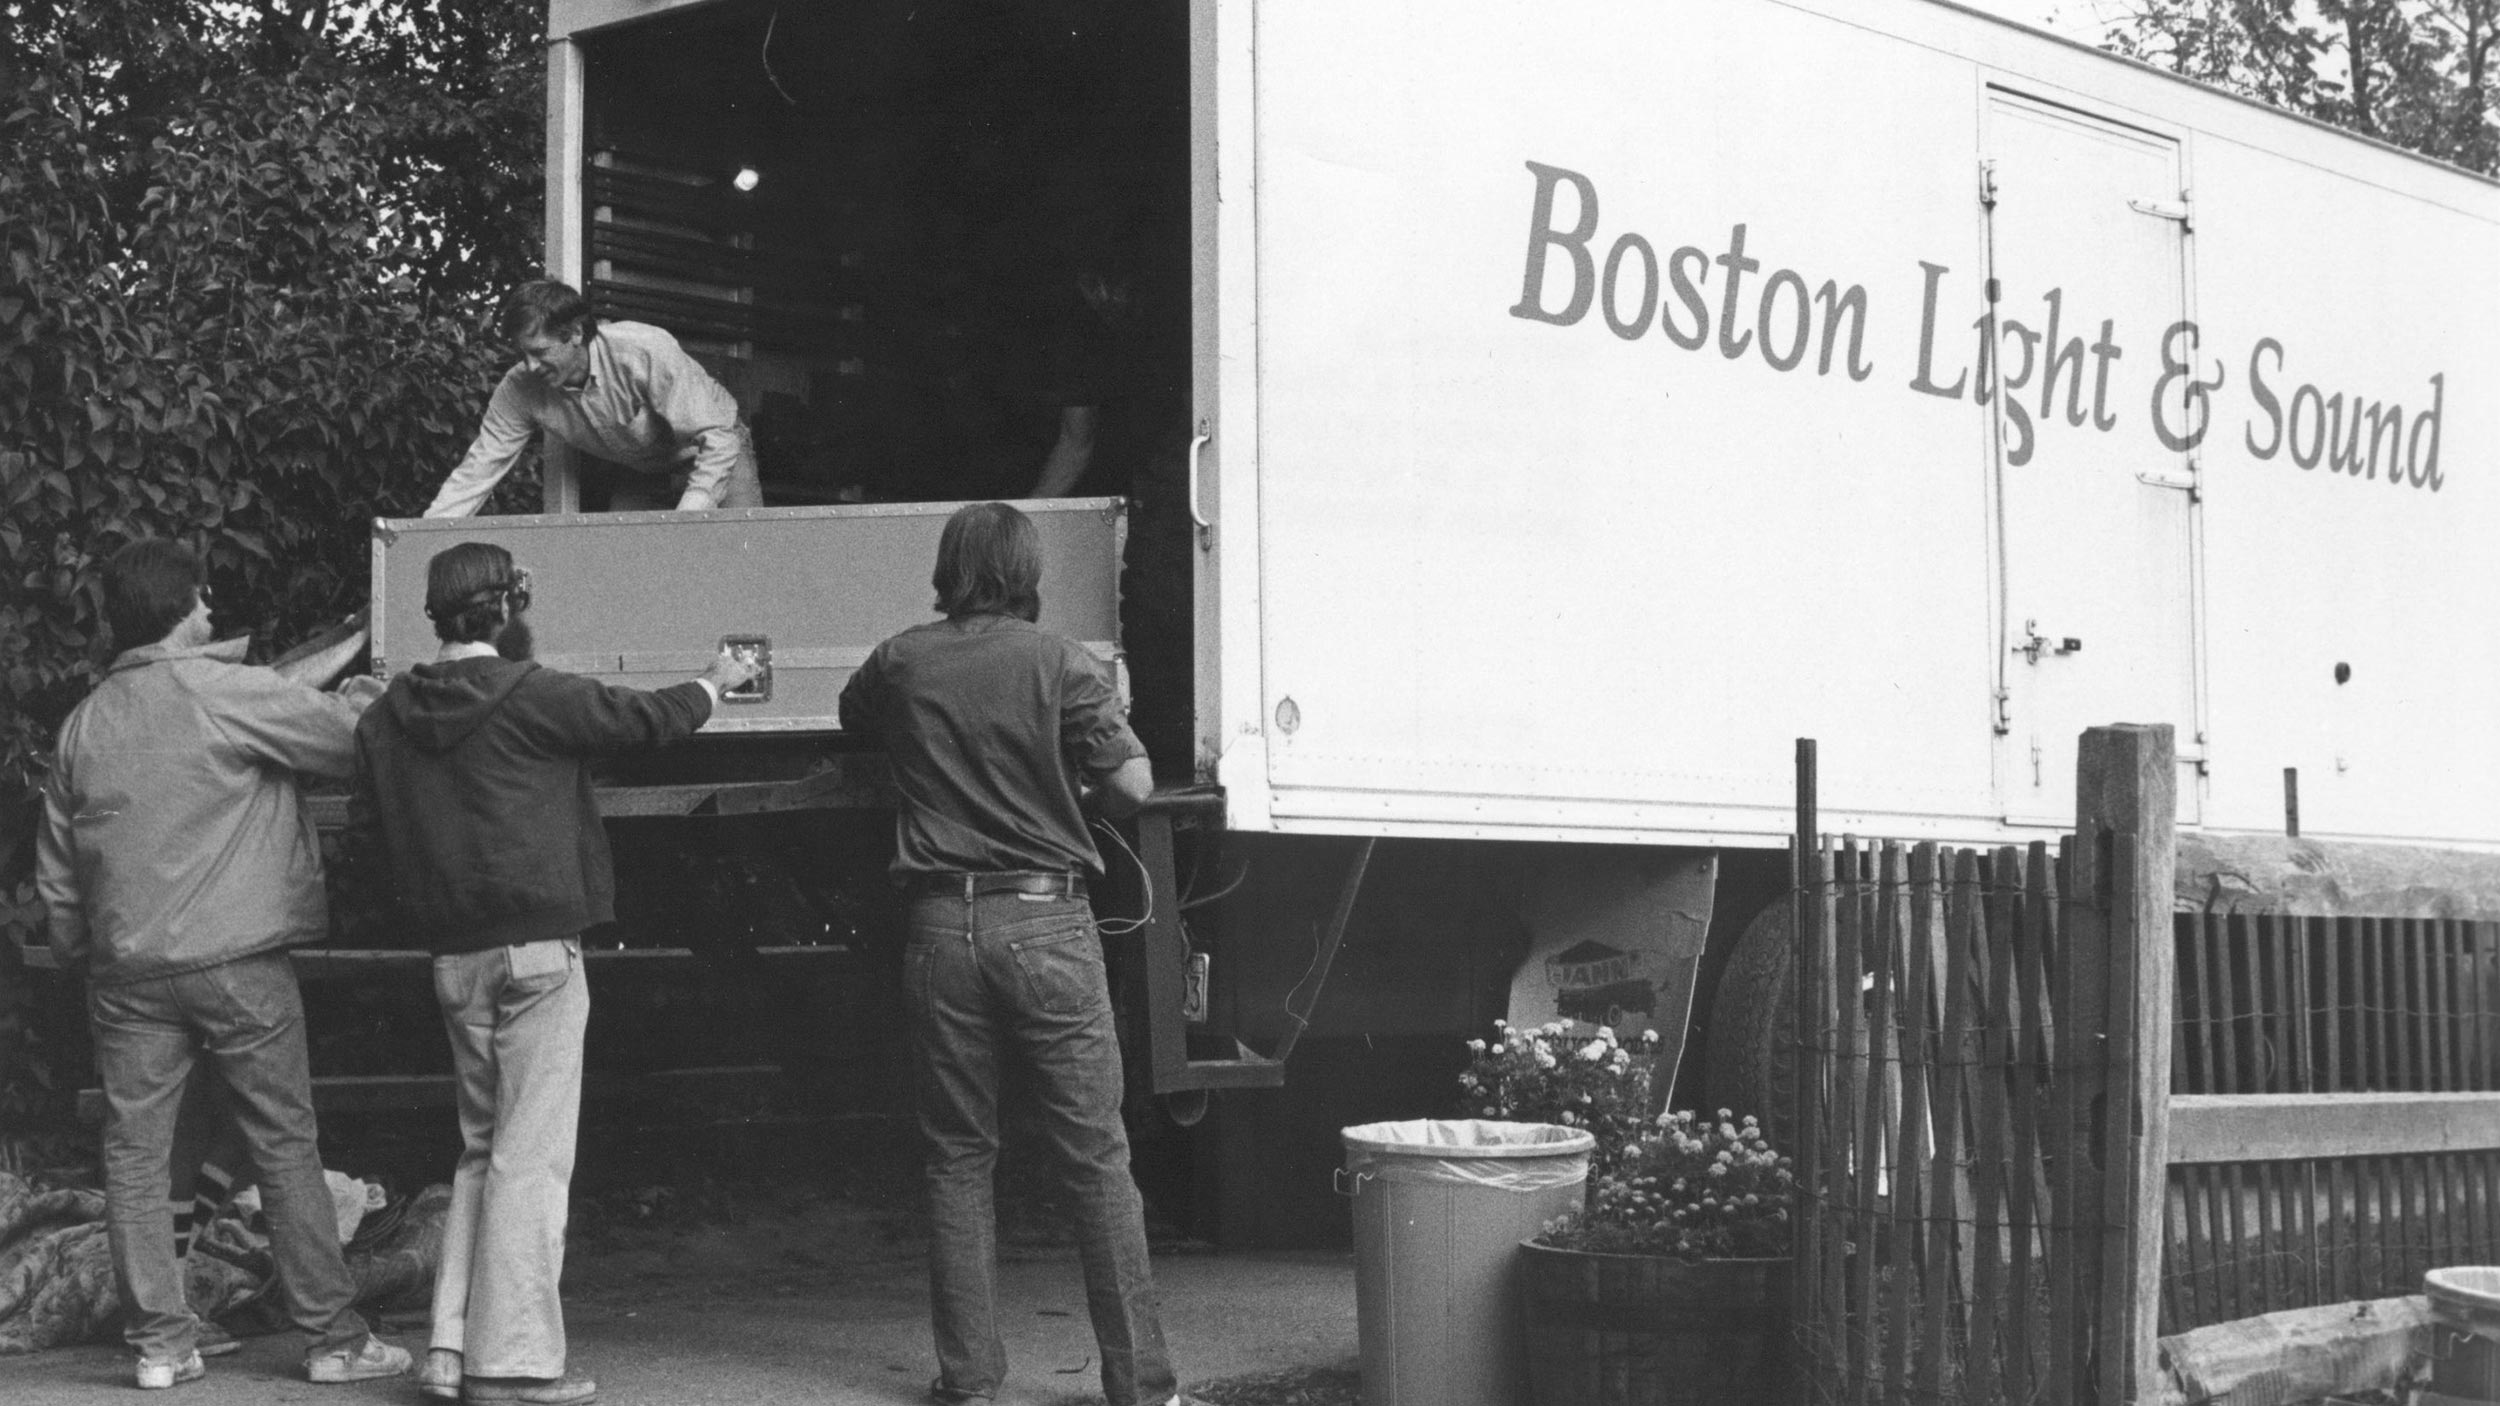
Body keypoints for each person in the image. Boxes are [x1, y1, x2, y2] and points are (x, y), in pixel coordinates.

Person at [344, 542, 759, 1406]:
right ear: (508, 609)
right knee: (530, 1162)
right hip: (538, 954)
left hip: (453, 958)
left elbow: (365, 837)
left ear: (435, 615)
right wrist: (717, 680)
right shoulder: (535, 696)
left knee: (480, 1152)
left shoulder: (383, 720)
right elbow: (647, 721)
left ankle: (451, 1351)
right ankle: (519, 1364)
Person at [837, 503, 1202, 1406]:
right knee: (1094, 1157)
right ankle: (1140, 1386)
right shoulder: (1061, 661)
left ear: (949, 568)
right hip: (1045, 923)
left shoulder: (902, 659)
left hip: (938, 929)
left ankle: (970, 1381)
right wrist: (1059, 785)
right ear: (1026, 571)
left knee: (958, 1156)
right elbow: (1133, 783)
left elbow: (856, 726)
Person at [35, 539, 411, 1390]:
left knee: (134, 1156)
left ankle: (163, 1346)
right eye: (204, 602)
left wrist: (83, 955)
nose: (212, 614)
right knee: (283, 1143)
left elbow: (59, 882)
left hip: (125, 975)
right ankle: (333, 1339)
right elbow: (354, 739)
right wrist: (367, 682)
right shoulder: (221, 690)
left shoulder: (82, 724)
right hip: (238, 961)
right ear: (186, 607)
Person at [426, 279, 763, 517]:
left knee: (745, 562)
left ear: (574, 333)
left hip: (717, 448)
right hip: (645, 467)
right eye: (523, 353)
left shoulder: (644, 349)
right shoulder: (519, 387)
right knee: (622, 567)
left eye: (540, 352)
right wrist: (422, 538)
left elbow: (717, 436)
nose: (529, 366)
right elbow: (478, 468)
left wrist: (689, 514)